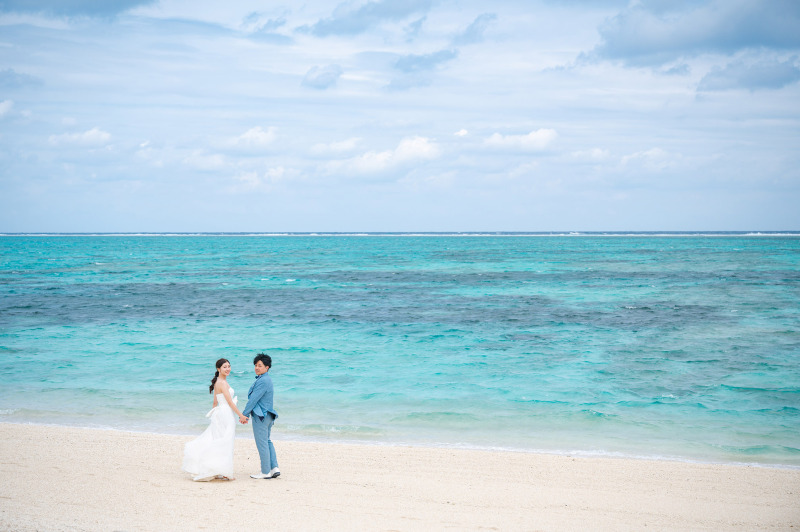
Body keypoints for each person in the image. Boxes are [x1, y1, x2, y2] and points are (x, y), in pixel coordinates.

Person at [182, 358, 248, 481]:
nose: (228, 369)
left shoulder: (219, 381)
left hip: (221, 413)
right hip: (226, 413)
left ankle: (221, 470)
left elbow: (214, 402)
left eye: (229, 366)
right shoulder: (221, 383)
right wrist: (241, 415)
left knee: (221, 439)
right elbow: (229, 402)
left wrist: (215, 417)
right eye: (225, 367)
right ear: (218, 369)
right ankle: (224, 471)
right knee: (226, 440)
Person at [241, 353, 280, 479]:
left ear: (267, 367)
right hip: (268, 415)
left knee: (262, 443)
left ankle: (265, 472)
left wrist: (244, 414)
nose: (256, 368)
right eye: (255, 365)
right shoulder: (266, 379)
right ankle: (274, 468)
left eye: (260, 365)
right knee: (267, 441)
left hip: (261, 416)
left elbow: (253, 399)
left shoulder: (263, 381)